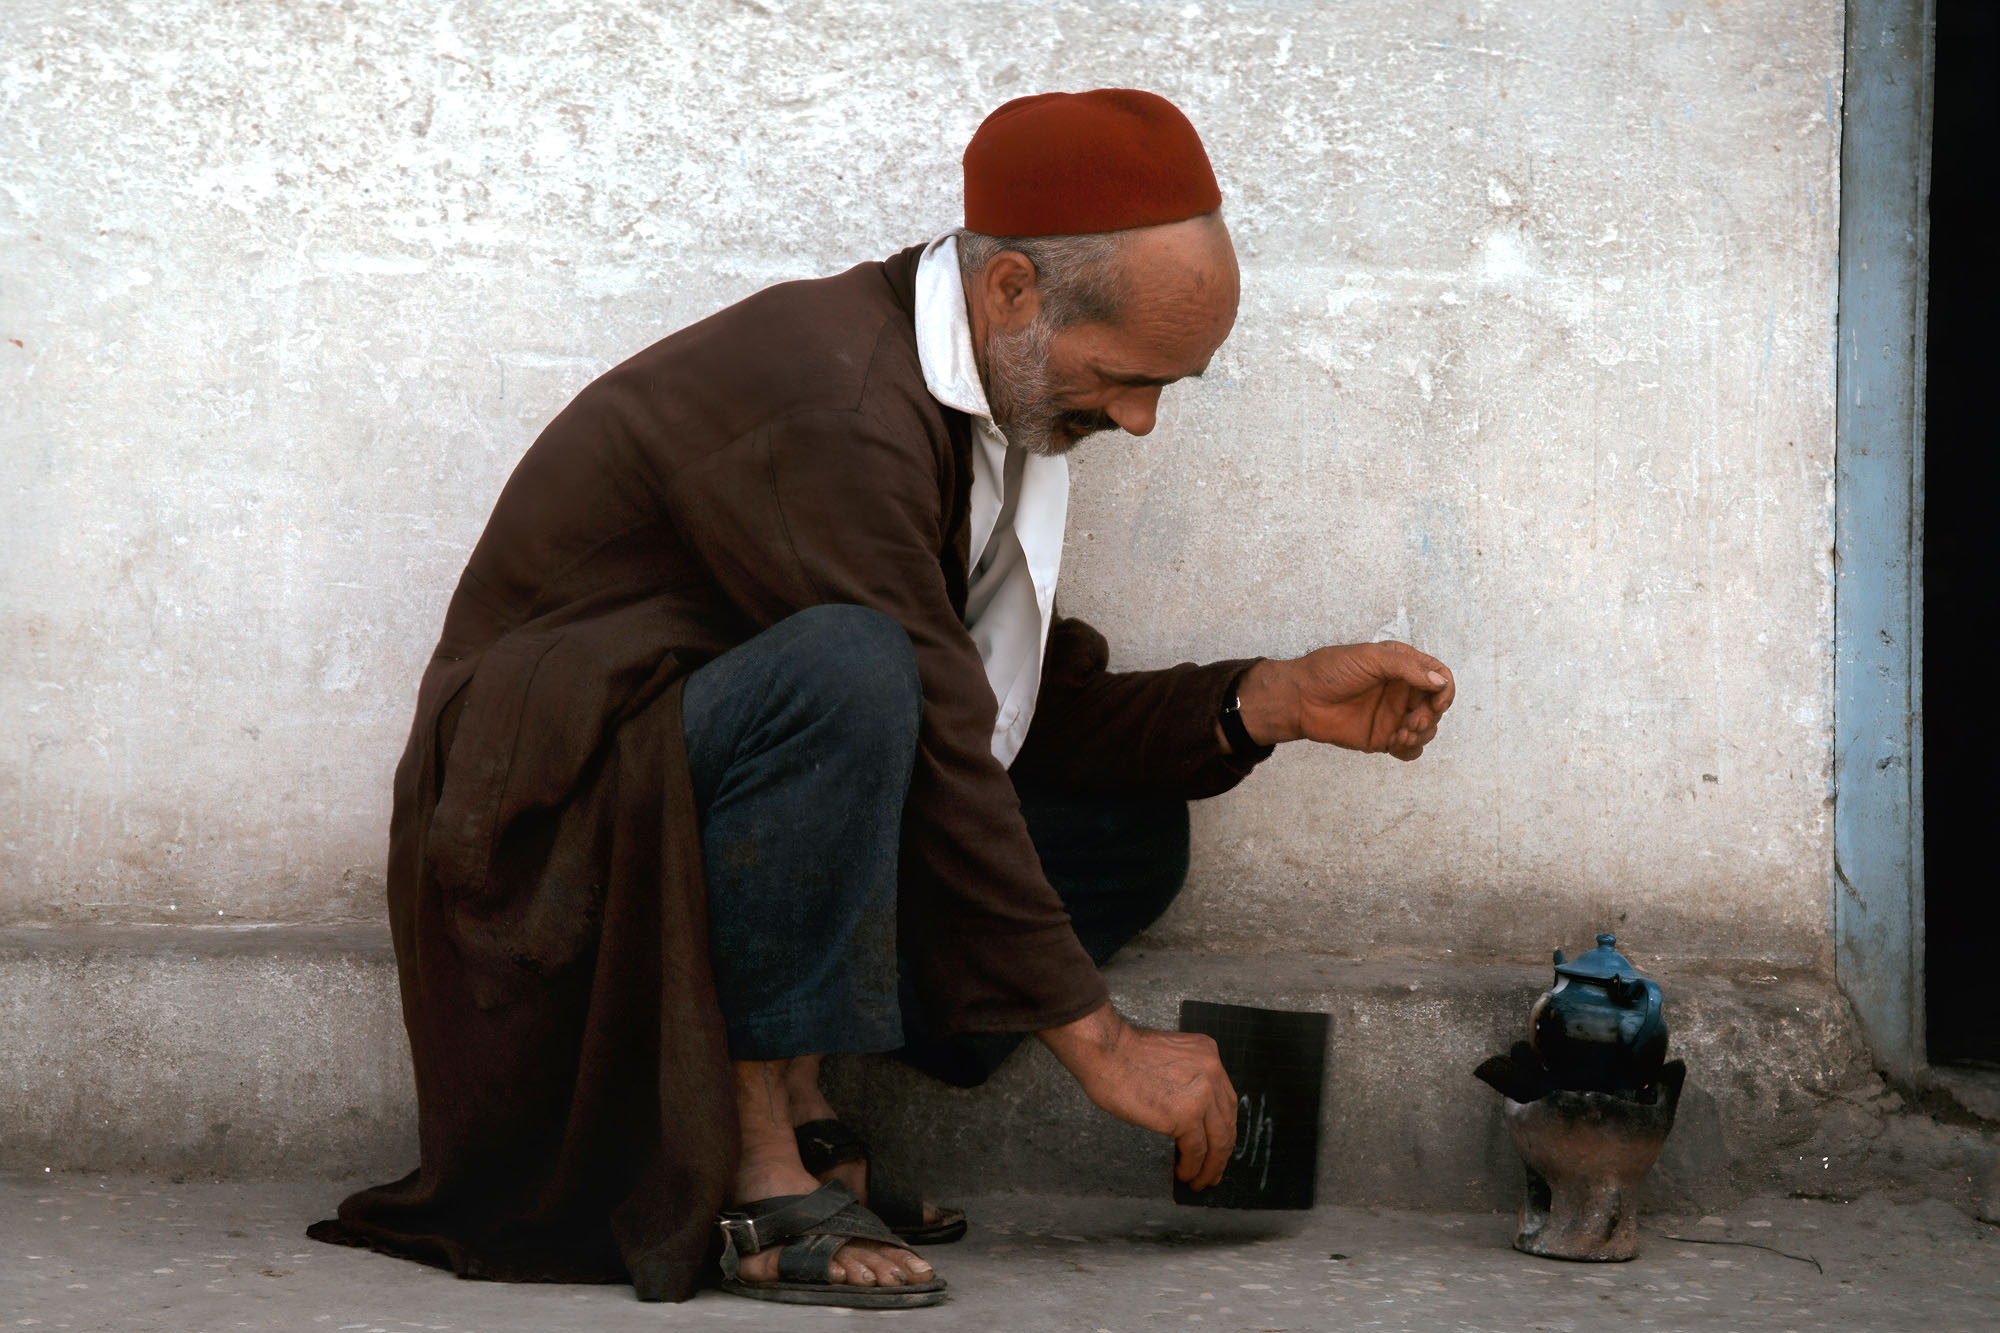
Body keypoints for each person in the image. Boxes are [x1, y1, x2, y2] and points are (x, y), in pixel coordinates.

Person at [310, 88, 1455, 1309]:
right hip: (553, 836)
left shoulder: (970, 399)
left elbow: (1005, 712)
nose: (1138, 419)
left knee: (1122, 821)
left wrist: (1260, 702)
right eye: (1124, 376)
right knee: (854, 671)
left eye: (1167, 386)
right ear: (1010, 290)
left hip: (698, 792)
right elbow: (914, 709)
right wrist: (1101, 1042)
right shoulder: (837, 404)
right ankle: (757, 1160)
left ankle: (807, 1110)